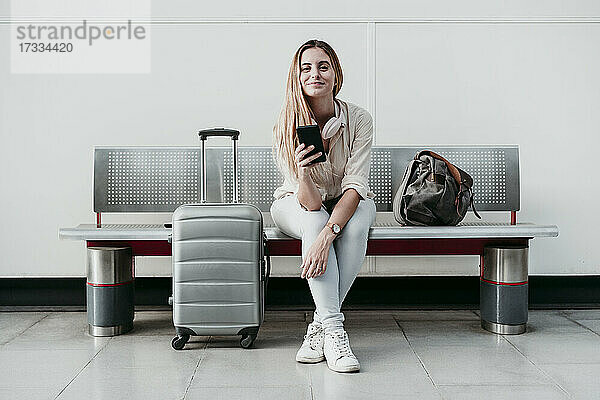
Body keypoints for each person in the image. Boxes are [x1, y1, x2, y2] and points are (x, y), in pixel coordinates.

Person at [270, 39, 376, 373]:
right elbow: (310, 204)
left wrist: (329, 235)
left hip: (343, 203)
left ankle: (321, 326)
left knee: (357, 222)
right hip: (295, 203)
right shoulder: (286, 125)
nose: (315, 73)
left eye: (323, 66)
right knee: (315, 221)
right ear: (297, 77)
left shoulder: (358, 119)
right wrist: (303, 173)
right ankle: (335, 331)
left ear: (335, 74)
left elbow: (355, 186)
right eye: (306, 67)